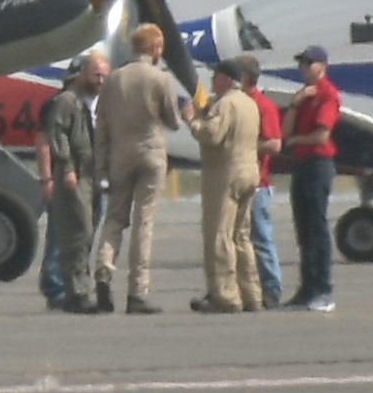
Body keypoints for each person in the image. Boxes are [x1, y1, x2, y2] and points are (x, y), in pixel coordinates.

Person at [94, 24, 186, 315]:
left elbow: (102, 124)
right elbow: (172, 120)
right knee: (143, 222)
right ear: (155, 48)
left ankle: (103, 274)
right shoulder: (160, 79)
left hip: (120, 155)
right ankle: (137, 291)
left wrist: (101, 164)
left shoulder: (113, 79)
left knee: (114, 219)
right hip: (151, 154)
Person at [36, 54, 108, 314]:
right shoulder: (62, 103)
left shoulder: (97, 105)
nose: (100, 81)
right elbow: (46, 143)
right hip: (71, 178)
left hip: (95, 178)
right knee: (69, 236)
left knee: (85, 234)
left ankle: (75, 288)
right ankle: (61, 289)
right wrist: (49, 177)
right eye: (94, 75)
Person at [189, 58, 262, 314]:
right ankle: (251, 293)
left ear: (226, 79)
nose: (211, 81)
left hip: (226, 175)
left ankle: (225, 295)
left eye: (215, 76)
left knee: (219, 235)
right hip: (250, 172)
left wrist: (193, 120)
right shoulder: (250, 104)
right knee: (241, 235)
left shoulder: (226, 103)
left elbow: (212, 135)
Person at [280, 46, 341, 310]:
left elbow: (321, 135)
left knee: (316, 228)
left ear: (322, 66)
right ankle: (306, 289)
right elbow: (284, 133)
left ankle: (323, 290)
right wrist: (295, 103)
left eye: (308, 63)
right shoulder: (303, 95)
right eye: (301, 63)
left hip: (318, 163)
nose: (303, 67)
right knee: (303, 229)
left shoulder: (328, 95)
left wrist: (295, 140)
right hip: (302, 163)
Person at [241, 63, 286, 307]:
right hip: (233, 180)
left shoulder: (263, 106)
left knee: (260, 237)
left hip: (257, 183)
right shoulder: (232, 104)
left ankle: (271, 288)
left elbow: (274, 144)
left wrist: (245, 145)